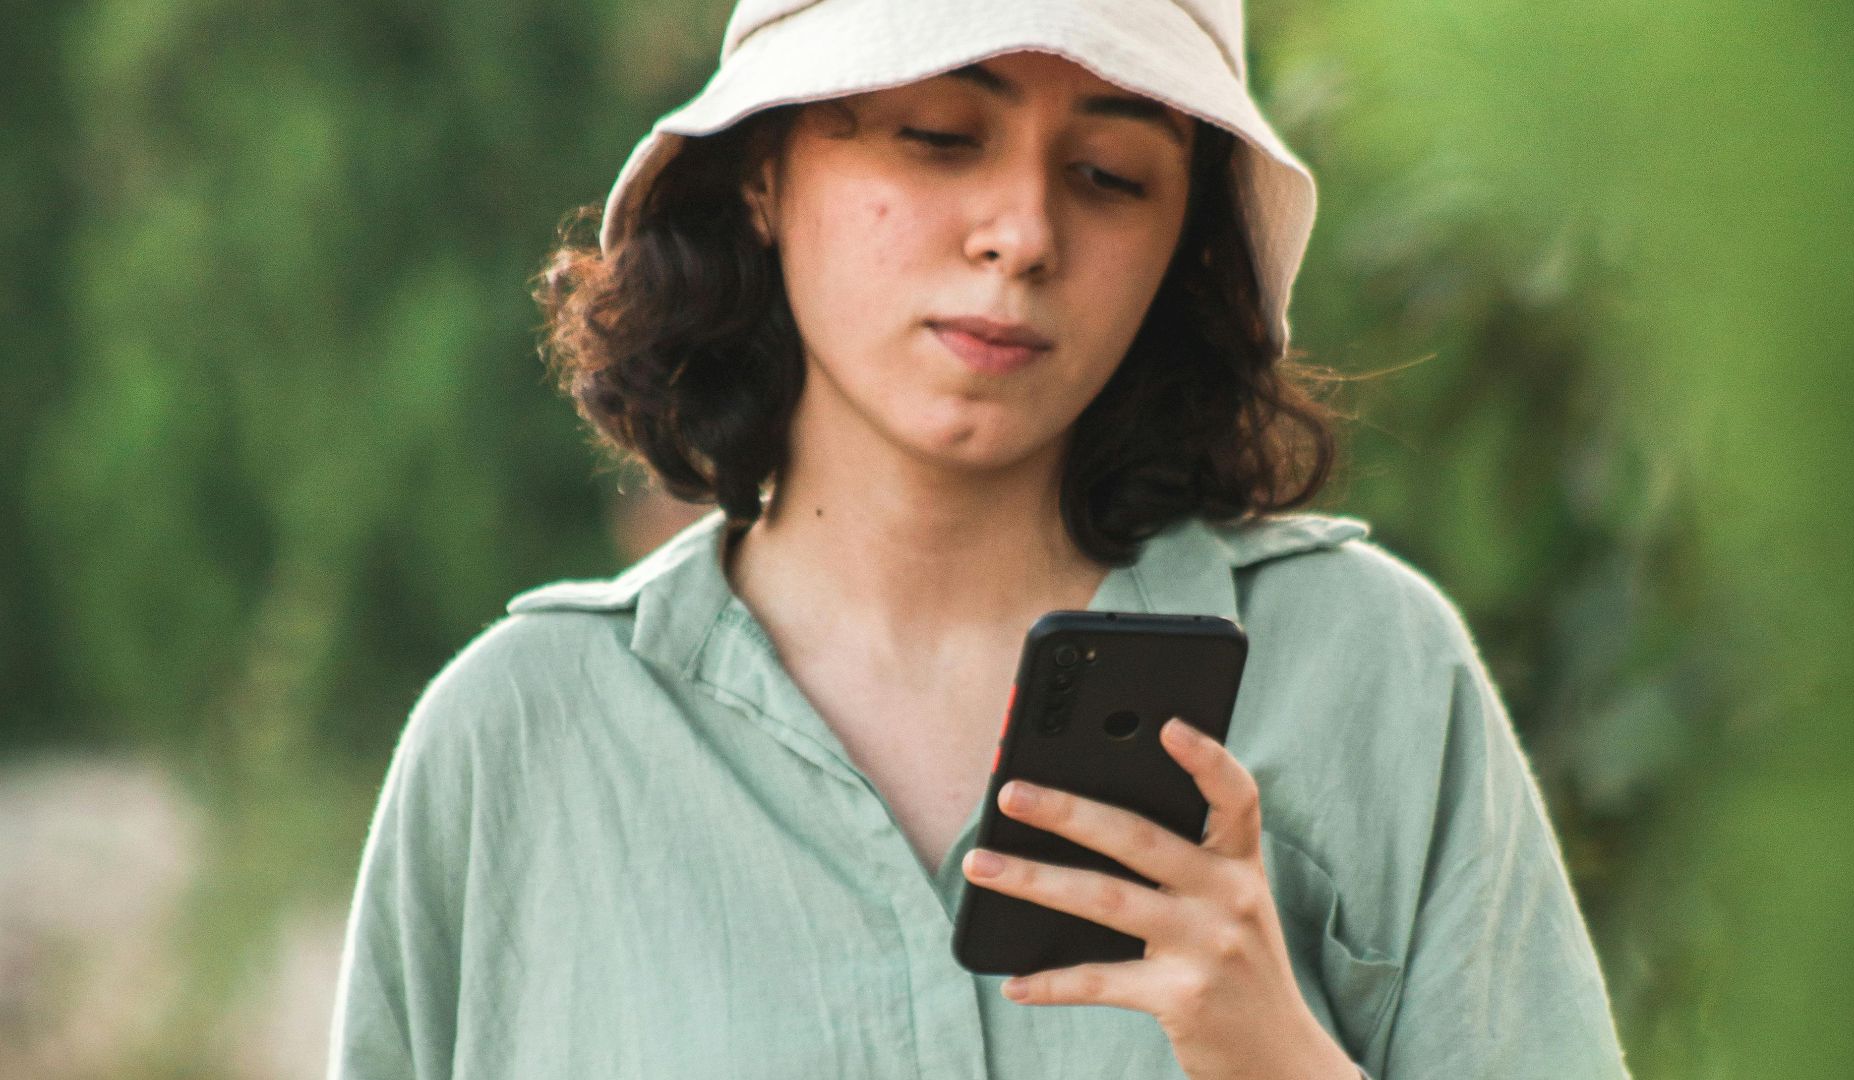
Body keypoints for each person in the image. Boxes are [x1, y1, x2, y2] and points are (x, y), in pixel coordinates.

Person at [326, 2, 1631, 1078]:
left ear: (1184, 238)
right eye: (942, 134)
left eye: (1112, 175)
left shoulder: (1370, 678)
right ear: (768, 175)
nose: (1024, 234)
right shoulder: (519, 746)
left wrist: (1279, 1055)